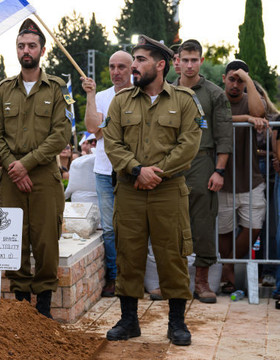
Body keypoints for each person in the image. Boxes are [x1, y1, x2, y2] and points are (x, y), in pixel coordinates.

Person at [103, 35, 201, 346]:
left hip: (168, 190)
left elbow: (189, 144)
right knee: (128, 255)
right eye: (134, 59)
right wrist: (136, 170)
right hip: (130, 190)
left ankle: (176, 323)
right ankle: (129, 320)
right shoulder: (121, 101)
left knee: (171, 254)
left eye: (141, 59)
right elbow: (112, 143)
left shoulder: (184, 100)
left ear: (160, 65)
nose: (134, 65)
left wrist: (157, 173)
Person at [0, 19, 71, 318]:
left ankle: (44, 308)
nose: (26, 50)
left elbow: (61, 134)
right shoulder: (4, 90)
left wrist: (27, 164)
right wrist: (13, 166)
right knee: (13, 239)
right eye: (21, 46)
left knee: (46, 241)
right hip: (11, 177)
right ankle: (22, 305)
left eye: (31, 45)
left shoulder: (58, 89)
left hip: (44, 176)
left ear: (42, 50)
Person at [173, 39, 233, 303]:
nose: (189, 65)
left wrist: (219, 170)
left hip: (202, 161)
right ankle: (174, 283)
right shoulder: (166, 90)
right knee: (171, 223)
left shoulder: (214, 93)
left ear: (201, 60)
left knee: (203, 223)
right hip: (171, 163)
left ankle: (201, 282)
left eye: (194, 60)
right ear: (178, 60)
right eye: (185, 59)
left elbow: (224, 135)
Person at [82, 50, 133, 297]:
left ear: (132, 69)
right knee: (110, 229)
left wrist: (105, 127)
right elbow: (93, 128)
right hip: (104, 171)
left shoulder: (140, 95)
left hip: (132, 171)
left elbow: (103, 130)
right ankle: (114, 276)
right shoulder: (101, 96)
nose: (116, 72)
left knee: (133, 227)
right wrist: (90, 96)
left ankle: (132, 277)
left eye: (121, 66)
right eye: (112, 66)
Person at [218, 60, 267, 295]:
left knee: (255, 226)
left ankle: (227, 266)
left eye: (240, 80)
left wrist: (248, 80)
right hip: (222, 178)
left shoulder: (251, 99)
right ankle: (227, 276)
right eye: (232, 79)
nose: (235, 84)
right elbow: (219, 121)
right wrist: (246, 118)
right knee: (224, 230)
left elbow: (260, 113)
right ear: (224, 78)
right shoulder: (217, 100)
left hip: (251, 178)